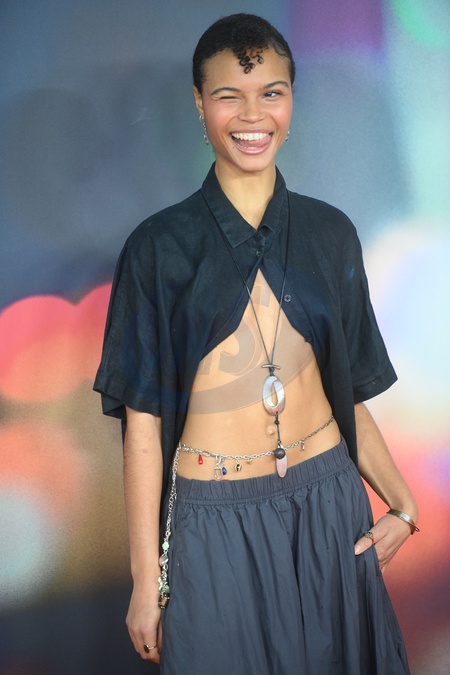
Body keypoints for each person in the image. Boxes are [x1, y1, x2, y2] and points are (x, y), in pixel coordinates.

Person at [94, 13, 418, 675]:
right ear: (199, 103)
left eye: (271, 92)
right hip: (212, 521)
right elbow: (142, 424)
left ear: (291, 99)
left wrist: (404, 504)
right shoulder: (158, 248)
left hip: (330, 505)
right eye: (229, 95)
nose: (253, 115)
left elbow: (347, 394)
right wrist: (144, 580)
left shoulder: (331, 233)